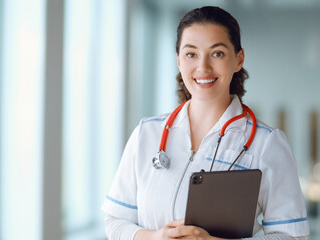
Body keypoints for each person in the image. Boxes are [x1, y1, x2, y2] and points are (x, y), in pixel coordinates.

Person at [102, 6, 309, 240]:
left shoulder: (266, 143)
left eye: (217, 53)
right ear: (179, 60)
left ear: (238, 59)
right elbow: (115, 221)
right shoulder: (146, 134)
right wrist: (154, 237)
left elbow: (291, 236)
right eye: (191, 54)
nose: (203, 67)